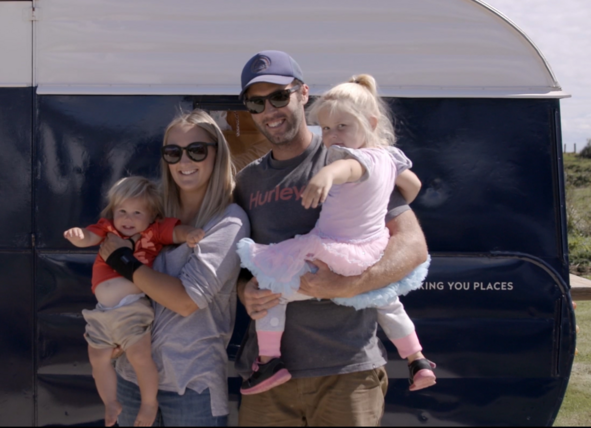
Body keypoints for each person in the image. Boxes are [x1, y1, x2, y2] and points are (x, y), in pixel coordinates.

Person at [234, 50, 429, 426]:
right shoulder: (248, 181)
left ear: (303, 94)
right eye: (256, 102)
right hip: (270, 377)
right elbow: (243, 260)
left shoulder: (353, 159)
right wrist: (245, 290)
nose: (269, 110)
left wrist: (347, 284)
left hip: (348, 369)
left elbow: (413, 247)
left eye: (279, 96)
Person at [96, 109, 250, 426]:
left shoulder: (229, 220)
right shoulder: (150, 209)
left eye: (197, 150)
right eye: (173, 152)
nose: (184, 161)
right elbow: (110, 268)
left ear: (216, 153)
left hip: (192, 383)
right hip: (132, 376)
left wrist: (124, 262)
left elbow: (186, 301)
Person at [63, 176, 205, 426]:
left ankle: (149, 403)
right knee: (97, 359)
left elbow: (175, 231)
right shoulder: (108, 230)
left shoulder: (154, 232)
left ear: (152, 216)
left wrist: (189, 233)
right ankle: (110, 402)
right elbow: (89, 237)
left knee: (140, 357)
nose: (128, 219)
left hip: (132, 309)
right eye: (123, 211)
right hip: (102, 312)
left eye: (137, 212)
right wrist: (79, 236)